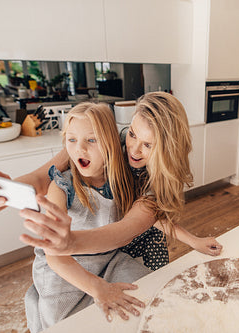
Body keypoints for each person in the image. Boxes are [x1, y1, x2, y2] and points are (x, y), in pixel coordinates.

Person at [0, 93, 222, 320]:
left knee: (145, 304)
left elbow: (129, 227)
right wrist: (4, 191)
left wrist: (70, 243)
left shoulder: (153, 185)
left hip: (125, 241)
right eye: (132, 134)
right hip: (91, 249)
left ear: (167, 150)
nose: (133, 149)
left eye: (148, 145)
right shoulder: (104, 147)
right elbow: (43, 177)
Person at [24, 102, 153, 332]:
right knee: (64, 324)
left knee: (148, 292)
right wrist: (97, 288)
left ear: (111, 144)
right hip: (63, 268)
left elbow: (155, 213)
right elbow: (54, 256)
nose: (79, 149)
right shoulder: (61, 186)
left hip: (109, 259)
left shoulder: (122, 177)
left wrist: (192, 239)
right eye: (71, 140)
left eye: (91, 140)